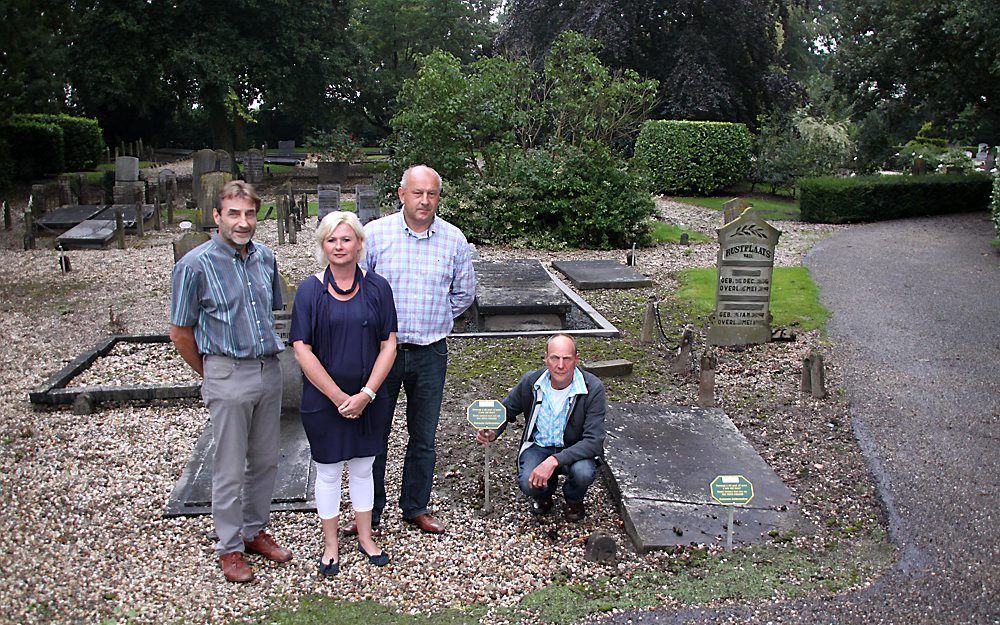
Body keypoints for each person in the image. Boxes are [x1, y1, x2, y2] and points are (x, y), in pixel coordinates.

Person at [169, 180, 292, 583]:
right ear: (217, 216)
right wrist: (212, 374)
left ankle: (255, 530)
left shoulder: (265, 259)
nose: (243, 222)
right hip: (226, 371)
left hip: (268, 370)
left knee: (265, 460)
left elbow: (271, 309)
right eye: (234, 214)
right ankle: (229, 547)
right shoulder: (194, 266)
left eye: (250, 213)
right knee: (228, 467)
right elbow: (181, 333)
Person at [347, 164, 475, 535]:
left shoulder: (453, 240)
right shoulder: (375, 234)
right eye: (417, 193)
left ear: (438, 197)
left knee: (424, 435)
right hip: (381, 354)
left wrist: (436, 318)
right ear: (402, 194)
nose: (424, 201)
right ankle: (369, 511)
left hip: (430, 352)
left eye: (431, 194)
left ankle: (415, 506)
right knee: (375, 434)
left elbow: (463, 294)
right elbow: (357, 288)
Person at [289, 211, 397, 576]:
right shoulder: (309, 290)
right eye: (332, 239)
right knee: (330, 471)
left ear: (359, 244)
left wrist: (365, 394)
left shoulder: (378, 287)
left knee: (365, 468)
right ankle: (331, 543)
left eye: (346, 239)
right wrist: (338, 397)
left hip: (370, 399)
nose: (339, 246)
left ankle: (366, 537)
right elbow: (301, 348)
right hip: (323, 401)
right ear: (323, 245)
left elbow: (389, 344)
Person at [475, 334, 606, 521]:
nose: (560, 365)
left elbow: (594, 441)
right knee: (528, 481)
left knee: (583, 473)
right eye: (555, 358)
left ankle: (574, 499)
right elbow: (507, 409)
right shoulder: (532, 382)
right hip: (539, 446)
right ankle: (544, 496)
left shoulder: (592, 388)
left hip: (574, 449)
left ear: (576, 359)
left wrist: (552, 461)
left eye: (566, 358)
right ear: (546, 358)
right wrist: (493, 431)